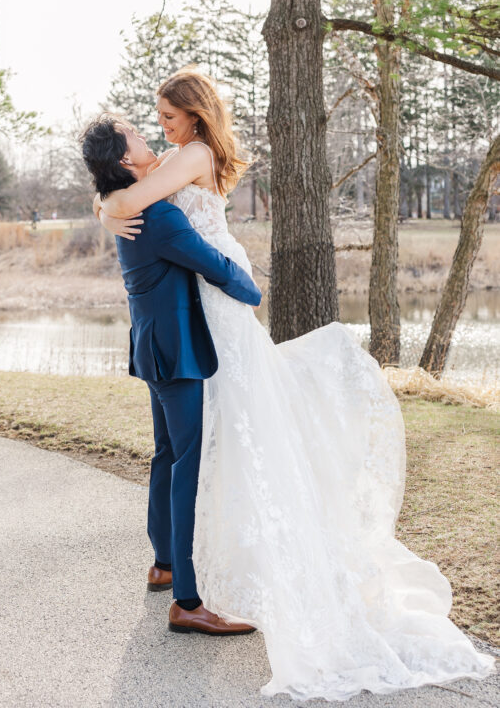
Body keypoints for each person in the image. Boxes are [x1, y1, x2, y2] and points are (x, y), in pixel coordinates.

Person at [95, 67, 496, 702]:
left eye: (168, 116)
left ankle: (183, 565)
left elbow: (129, 201)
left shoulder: (191, 153)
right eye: (155, 121)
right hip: (204, 299)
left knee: (219, 432)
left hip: (217, 297)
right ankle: (182, 567)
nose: (163, 127)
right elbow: (130, 195)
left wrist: (107, 202)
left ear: (195, 117)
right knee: (203, 441)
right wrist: (109, 197)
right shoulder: (179, 156)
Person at [80, 114, 262, 637]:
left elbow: (116, 200)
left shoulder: (129, 208)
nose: (149, 134)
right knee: (188, 461)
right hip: (178, 350)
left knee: (168, 454)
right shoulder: (155, 217)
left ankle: (162, 562)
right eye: (138, 133)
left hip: (154, 346)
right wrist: (252, 292)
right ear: (123, 159)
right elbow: (211, 264)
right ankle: (187, 598)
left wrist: (102, 206)